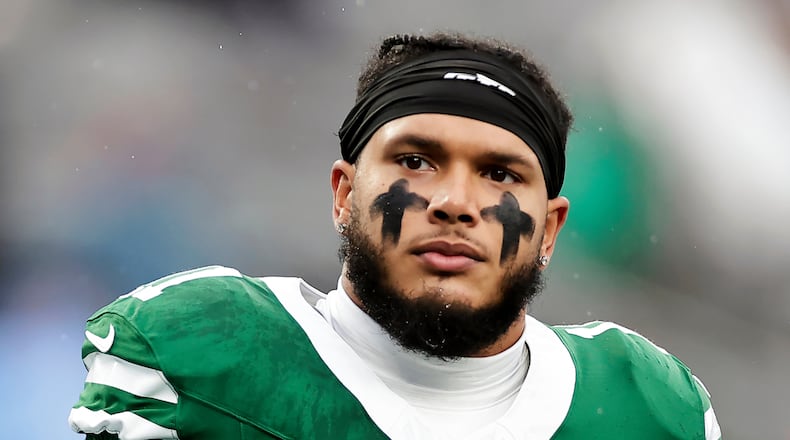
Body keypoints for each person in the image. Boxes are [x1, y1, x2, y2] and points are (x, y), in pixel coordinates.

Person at [68, 32, 721, 439]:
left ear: (550, 228)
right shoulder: (202, 349)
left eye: (499, 173)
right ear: (344, 194)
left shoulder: (648, 407)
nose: (454, 203)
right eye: (415, 160)